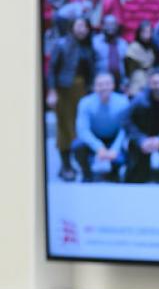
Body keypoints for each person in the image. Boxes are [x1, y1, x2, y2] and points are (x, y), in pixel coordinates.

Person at [47, 16, 96, 181]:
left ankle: (81, 164)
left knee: (79, 127)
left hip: (84, 90)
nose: (83, 29)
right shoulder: (61, 44)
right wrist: (52, 91)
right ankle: (65, 165)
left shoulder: (89, 45)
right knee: (65, 127)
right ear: (72, 27)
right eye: (79, 25)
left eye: (85, 26)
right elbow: (52, 69)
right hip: (65, 89)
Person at [72, 72, 128, 182]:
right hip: (94, 138)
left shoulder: (123, 101)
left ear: (113, 85)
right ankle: (87, 173)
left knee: (128, 150)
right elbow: (83, 131)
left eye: (107, 84)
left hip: (114, 139)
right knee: (77, 145)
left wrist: (115, 149)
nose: (104, 88)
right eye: (100, 84)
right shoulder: (85, 103)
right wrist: (98, 147)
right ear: (94, 87)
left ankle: (114, 172)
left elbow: (124, 129)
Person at [124, 20, 156, 97]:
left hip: (149, 78)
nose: (147, 34)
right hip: (137, 78)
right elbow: (128, 68)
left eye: (149, 32)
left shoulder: (152, 47)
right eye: (144, 31)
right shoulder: (133, 47)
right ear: (139, 32)